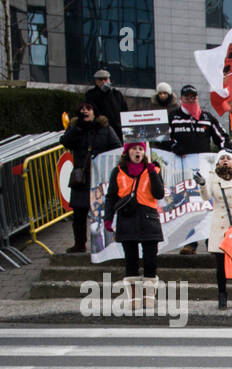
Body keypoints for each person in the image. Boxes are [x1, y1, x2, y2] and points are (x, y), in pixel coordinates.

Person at [169, 84, 231, 254]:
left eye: (193, 97)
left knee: (207, 205)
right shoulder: (173, 117)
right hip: (182, 171)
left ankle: (211, 240)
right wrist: (174, 146)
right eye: (187, 97)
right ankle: (191, 242)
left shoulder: (206, 117)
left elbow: (222, 137)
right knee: (189, 206)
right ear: (181, 98)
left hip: (204, 170)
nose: (190, 99)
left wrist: (226, 152)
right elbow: (163, 138)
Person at [107, 140, 165, 311]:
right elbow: (111, 197)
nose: (138, 152)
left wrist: (152, 172)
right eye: (134, 149)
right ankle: (134, 298)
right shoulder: (117, 171)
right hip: (127, 219)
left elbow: (159, 193)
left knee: (150, 259)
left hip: (149, 219)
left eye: (140, 149)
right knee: (130, 260)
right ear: (127, 152)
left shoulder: (154, 169)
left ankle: (148, 297)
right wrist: (108, 219)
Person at [194, 151, 232, 309]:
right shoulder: (212, 178)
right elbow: (206, 197)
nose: (225, 160)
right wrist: (202, 185)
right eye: (222, 158)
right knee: (220, 265)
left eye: (228, 158)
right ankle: (222, 297)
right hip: (219, 226)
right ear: (217, 163)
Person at [60, 101, 120, 253]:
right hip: (81, 177)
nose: (85, 111)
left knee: (102, 211)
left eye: (88, 109)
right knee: (79, 212)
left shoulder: (104, 128)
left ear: (94, 112)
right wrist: (76, 128)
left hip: (99, 176)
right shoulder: (76, 128)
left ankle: (106, 243)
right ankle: (79, 244)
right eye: (82, 109)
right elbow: (66, 142)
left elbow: (116, 147)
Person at [85, 69, 128, 140]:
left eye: (105, 79)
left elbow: (124, 110)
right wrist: (102, 92)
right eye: (100, 79)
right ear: (96, 81)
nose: (103, 81)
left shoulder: (117, 94)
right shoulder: (91, 95)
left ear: (109, 79)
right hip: (101, 131)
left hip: (117, 130)